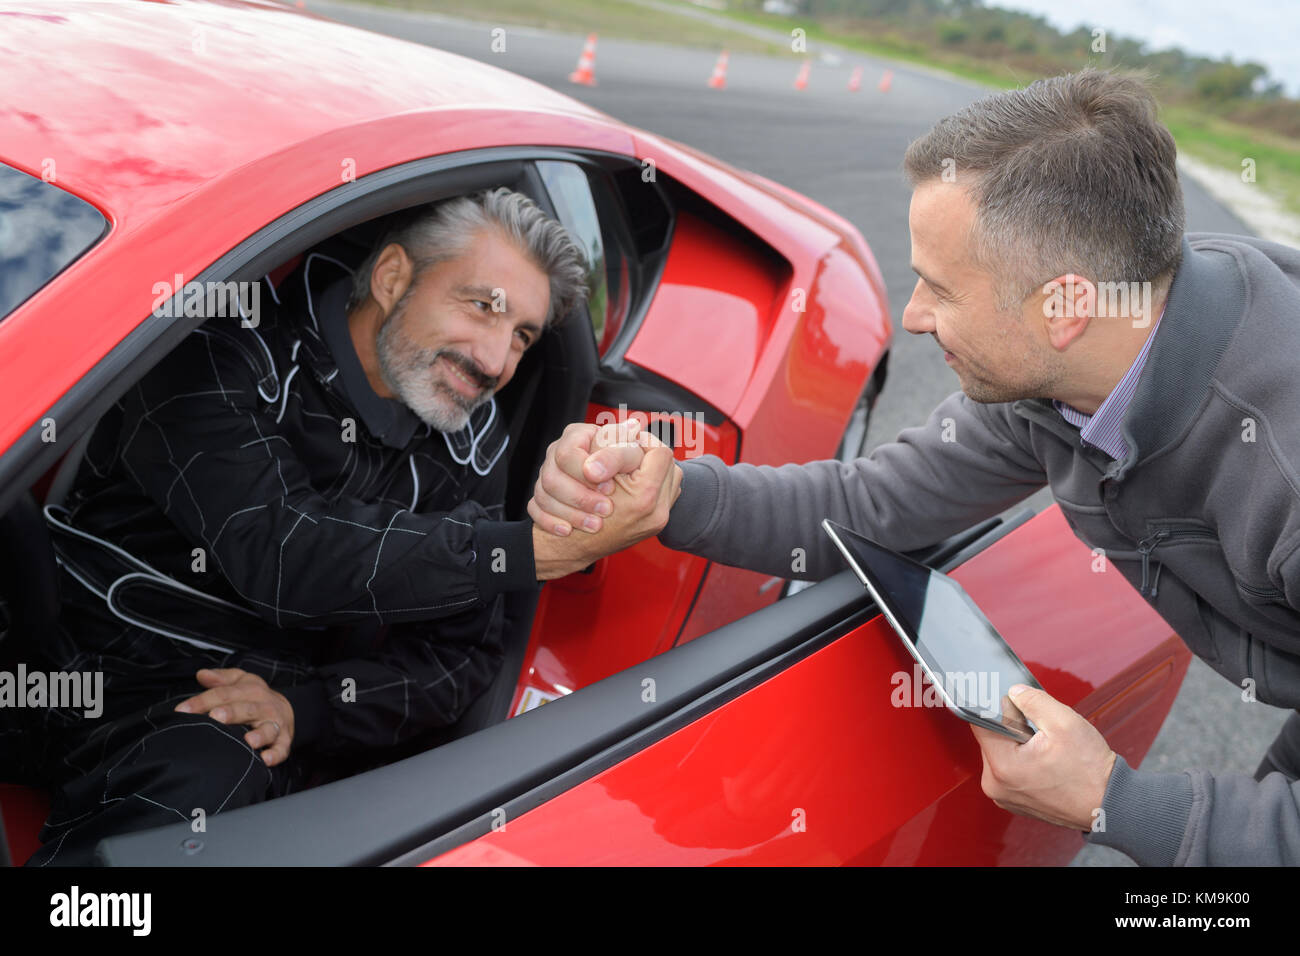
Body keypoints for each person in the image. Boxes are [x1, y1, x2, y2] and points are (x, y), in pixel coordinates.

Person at [528, 69, 1300, 866]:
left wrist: (1114, 800)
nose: (914, 316)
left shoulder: (1281, 466)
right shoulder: (1074, 358)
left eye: (940, 288)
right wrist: (670, 495)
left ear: (1065, 308)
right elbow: (873, 505)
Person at [16, 186, 628, 866]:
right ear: (394, 278)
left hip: (211, 714)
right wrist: (519, 550)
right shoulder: (224, 341)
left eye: (521, 336)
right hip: (54, 641)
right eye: (483, 306)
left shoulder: (471, 440)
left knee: (187, 823)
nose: (495, 361)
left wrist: (305, 708)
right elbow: (278, 550)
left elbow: (460, 659)